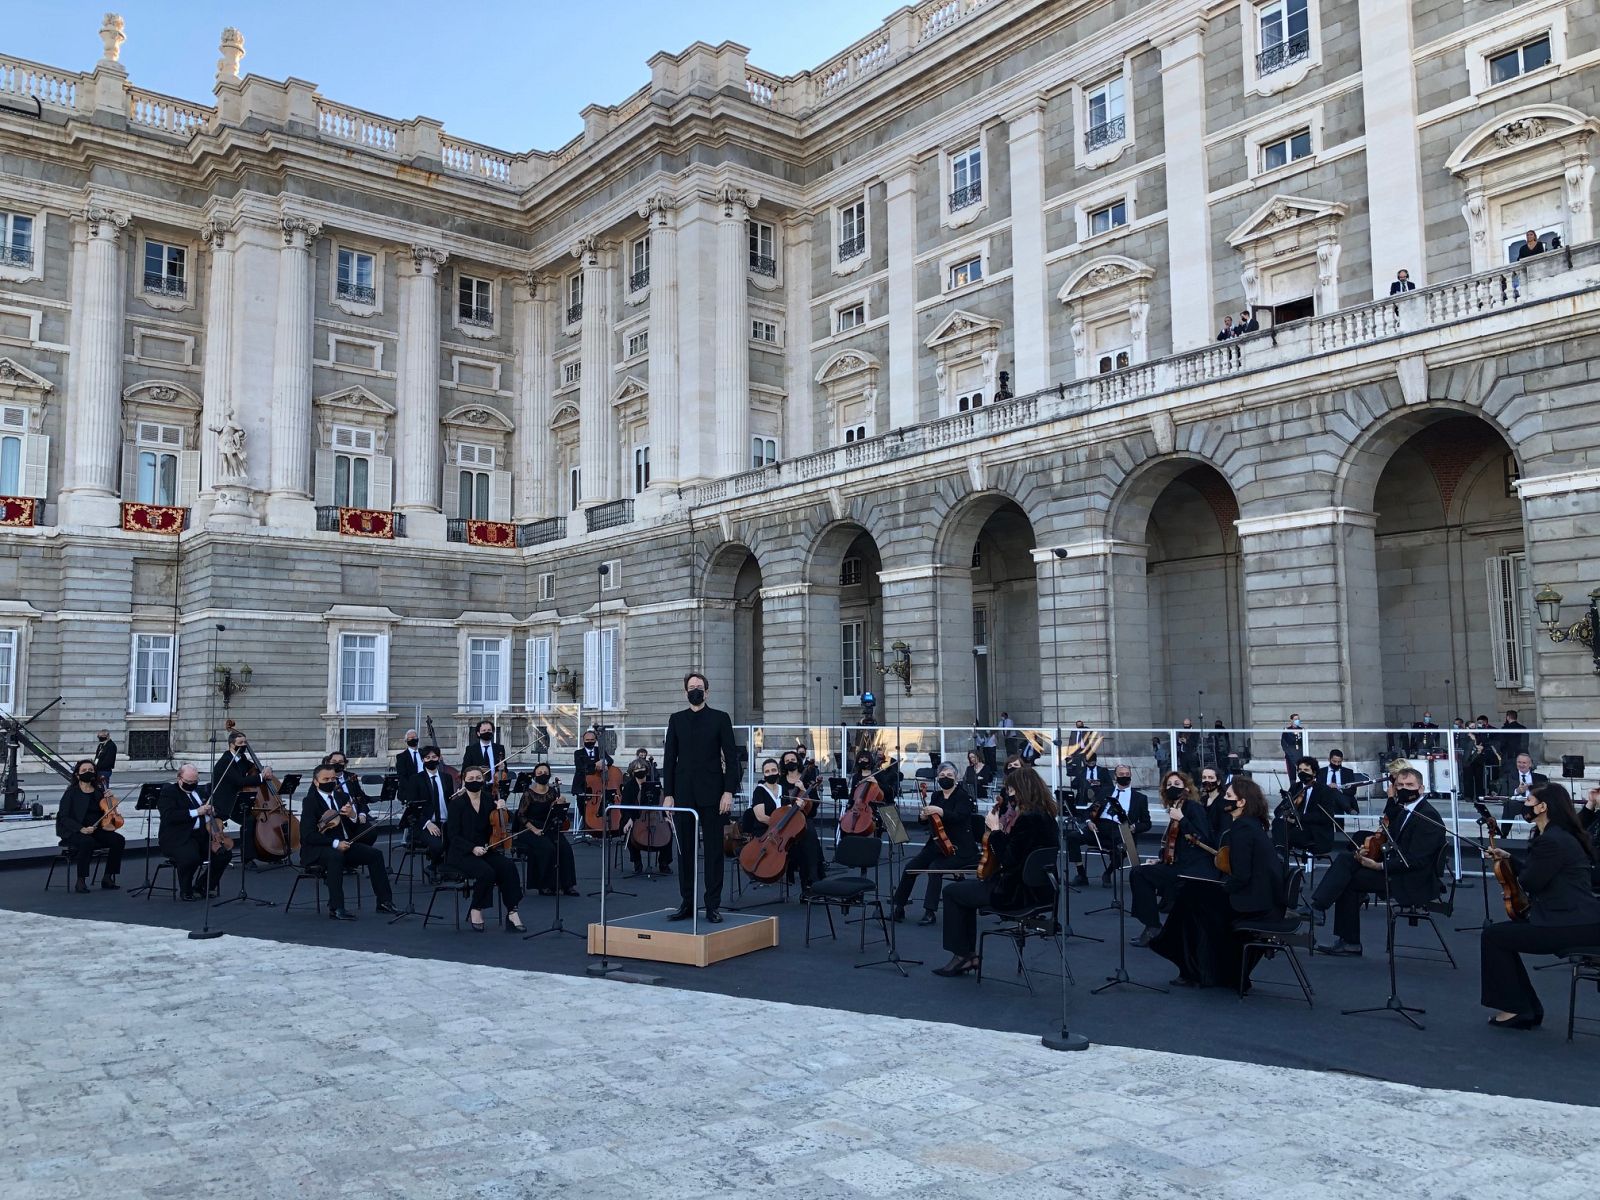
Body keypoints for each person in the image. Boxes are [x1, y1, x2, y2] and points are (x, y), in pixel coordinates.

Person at [1480, 782, 1600, 1029]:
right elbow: (1541, 873)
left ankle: (1519, 1009)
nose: (1524, 806)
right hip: (1579, 920)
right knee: (1500, 935)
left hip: (1568, 923)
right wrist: (1510, 859)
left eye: (1528, 802)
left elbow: (1532, 881)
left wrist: (1513, 867)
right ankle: (1524, 1007)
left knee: (1495, 936)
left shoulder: (1552, 840)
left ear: (1543, 807)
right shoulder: (1558, 835)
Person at [1151, 778, 1284, 988]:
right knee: (1193, 895)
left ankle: (1195, 970)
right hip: (1262, 899)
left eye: (1229, 797)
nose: (1224, 799)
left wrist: (1220, 889)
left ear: (1241, 803)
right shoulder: (1250, 825)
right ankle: (1201, 969)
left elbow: (1241, 877)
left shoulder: (1242, 830)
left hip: (1253, 904)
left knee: (1190, 903)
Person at [935, 765, 1059, 977]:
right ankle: (965, 955)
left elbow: (1009, 859)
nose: (1008, 796)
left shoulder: (1028, 819)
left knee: (952, 892)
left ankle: (962, 956)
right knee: (964, 891)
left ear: (1021, 790)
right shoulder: (1046, 816)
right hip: (1041, 890)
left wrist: (995, 830)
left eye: (1010, 791)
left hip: (1016, 893)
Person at [1310, 767, 1446, 955]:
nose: (1404, 789)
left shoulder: (1427, 815)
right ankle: (1322, 912)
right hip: (1399, 869)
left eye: (1410, 785)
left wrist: (1379, 865)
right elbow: (1393, 844)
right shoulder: (1406, 810)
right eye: (1400, 785)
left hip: (1413, 879)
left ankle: (1329, 920)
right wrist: (1368, 853)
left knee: (1347, 880)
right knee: (1347, 859)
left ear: (1421, 789)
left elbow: (1417, 861)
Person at [662, 671, 739, 923]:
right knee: (685, 852)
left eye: (699, 686)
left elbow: (731, 756)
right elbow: (669, 759)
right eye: (691, 687)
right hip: (683, 794)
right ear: (686, 692)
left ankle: (713, 905)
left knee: (715, 852)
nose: (695, 690)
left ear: (707, 691)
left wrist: (729, 791)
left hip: (714, 794)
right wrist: (668, 794)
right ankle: (687, 903)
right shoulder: (676, 719)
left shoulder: (720, 718)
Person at [297, 762, 398, 921]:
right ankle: (337, 908)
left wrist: (352, 815)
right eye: (325, 779)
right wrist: (335, 843)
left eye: (333, 778)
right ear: (316, 782)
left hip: (344, 844)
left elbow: (353, 828)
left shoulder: (342, 797)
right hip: (318, 849)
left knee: (375, 855)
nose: (330, 782)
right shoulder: (310, 801)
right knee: (335, 857)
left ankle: (384, 902)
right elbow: (308, 835)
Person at [1130, 772, 1215, 947]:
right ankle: (1152, 925)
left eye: (1176, 783)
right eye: (1168, 785)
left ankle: (1153, 926)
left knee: (1139, 874)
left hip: (1193, 868)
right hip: (1179, 864)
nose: (1172, 787)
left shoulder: (1193, 807)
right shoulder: (1176, 809)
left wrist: (1182, 819)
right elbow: (1174, 844)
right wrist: (1160, 860)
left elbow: (1202, 837)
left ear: (1186, 788)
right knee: (1139, 872)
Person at [892, 761, 979, 925]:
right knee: (910, 867)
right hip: (937, 844)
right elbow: (930, 823)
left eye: (949, 775)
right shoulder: (936, 796)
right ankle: (899, 907)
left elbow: (959, 817)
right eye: (942, 776)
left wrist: (940, 811)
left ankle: (930, 911)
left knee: (935, 868)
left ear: (957, 777)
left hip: (959, 847)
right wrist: (923, 817)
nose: (945, 778)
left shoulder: (964, 797)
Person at [445, 766, 525, 932]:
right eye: (471, 778)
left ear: (483, 780)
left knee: (508, 866)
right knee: (486, 872)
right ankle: (476, 908)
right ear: (464, 781)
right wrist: (472, 848)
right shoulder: (456, 804)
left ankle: (512, 911)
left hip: (486, 848)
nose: (475, 781)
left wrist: (503, 809)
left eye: (478, 778)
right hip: (462, 852)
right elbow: (453, 835)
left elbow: (501, 822)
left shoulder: (489, 799)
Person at [157, 764, 231, 900]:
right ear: (179, 778)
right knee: (191, 857)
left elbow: (221, 811)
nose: (192, 785)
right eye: (189, 782)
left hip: (202, 835)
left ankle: (203, 886)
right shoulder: (169, 792)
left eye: (195, 781)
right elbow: (170, 816)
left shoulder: (201, 792)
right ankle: (186, 890)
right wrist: (197, 811)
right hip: (178, 837)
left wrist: (214, 811)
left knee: (224, 854)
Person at [56, 759, 124, 892]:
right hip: (74, 831)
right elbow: (64, 817)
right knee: (87, 842)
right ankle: (80, 881)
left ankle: (108, 877)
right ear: (77, 775)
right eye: (84, 770)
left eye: (91, 770)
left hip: (96, 829)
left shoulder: (99, 792)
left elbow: (106, 811)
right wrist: (81, 829)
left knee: (118, 840)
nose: (88, 772)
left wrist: (110, 799)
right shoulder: (71, 793)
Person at [515, 763, 577, 895]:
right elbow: (521, 816)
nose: (543, 774)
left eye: (545, 772)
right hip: (529, 829)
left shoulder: (553, 792)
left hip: (548, 827)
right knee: (547, 848)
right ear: (534, 775)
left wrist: (560, 805)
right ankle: (545, 885)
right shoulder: (528, 794)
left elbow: (556, 814)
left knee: (565, 848)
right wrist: (534, 830)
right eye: (539, 772)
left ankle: (567, 885)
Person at [1272, 756, 1341, 857]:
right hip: (1296, 827)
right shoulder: (1295, 787)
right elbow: (1278, 811)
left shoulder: (1325, 791)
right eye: (1300, 770)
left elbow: (1325, 817)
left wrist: (1298, 818)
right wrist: (1289, 808)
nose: (1302, 772)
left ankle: (1281, 853)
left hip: (1314, 831)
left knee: (1290, 834)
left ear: (1314, 773)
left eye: (1306, 770)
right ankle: (1280, 852)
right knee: (1277, 823)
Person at [404, 746, 453, 877]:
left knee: (458, 841)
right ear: (423, 760)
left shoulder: (447, 778)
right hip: (426, 824)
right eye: (427, 758)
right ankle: (433, 867)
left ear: (439, 758)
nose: (431, 760)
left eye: (434, 757)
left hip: (446, 822)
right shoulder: (416, 779)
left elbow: (450, 801)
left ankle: (444, 868)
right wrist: (426, 823)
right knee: (438, 845)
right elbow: (412, 807)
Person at [621, 756, 670, 878]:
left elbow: (661, 801)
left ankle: (664, 863)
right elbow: (625, 806)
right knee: (631, 831)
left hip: (654, 817)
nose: (640, 771)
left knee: (667, 831)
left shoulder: (653, 783)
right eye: (637, 769)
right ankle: (637, 863)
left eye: (642, 768)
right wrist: (629, 820)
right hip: (634, 816)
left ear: (647, 770)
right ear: (633, 772)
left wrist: (665, 816)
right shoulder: (629, 786)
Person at [210, 729, 256, 824]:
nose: (243, 745)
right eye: (240, 743)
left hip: (237, 800)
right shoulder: (226, 761)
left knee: (254, 818)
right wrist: (260, 777)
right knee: (249, 821)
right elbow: (240, 781)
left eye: (245, 742)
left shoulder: (241, 757)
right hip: (226, 804)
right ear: (231, 744)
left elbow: (253, 767)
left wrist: (266, 769)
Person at [461, 719, 508, 799]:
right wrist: (477, 769)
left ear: (492, 732)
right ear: (478, 733)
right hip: (478, 788)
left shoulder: (499, 748)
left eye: (489, 730)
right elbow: (465, 770)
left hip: (495, 787)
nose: (487, 732)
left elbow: (505, 769)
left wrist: (503, 768)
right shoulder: (471, 749)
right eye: (484, 730)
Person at [1197, 767, 1231, 840]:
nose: (1207, 780)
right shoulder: (1202, 800)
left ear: (1218, 781)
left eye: (1211, 778)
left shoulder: (1224, 801)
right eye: (1204, 778)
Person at [1280, 714, 1303, 781]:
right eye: (1295, 719)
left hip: (1300, 755)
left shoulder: (1302, 730)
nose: (1297, 721)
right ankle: (1293, 789)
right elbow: (1284, 744)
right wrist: (1290, 753)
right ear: (1291, 720)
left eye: (1298, 719)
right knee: (1292, 775)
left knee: (1302, 774)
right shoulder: (1287, 730)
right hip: (1290, 756)